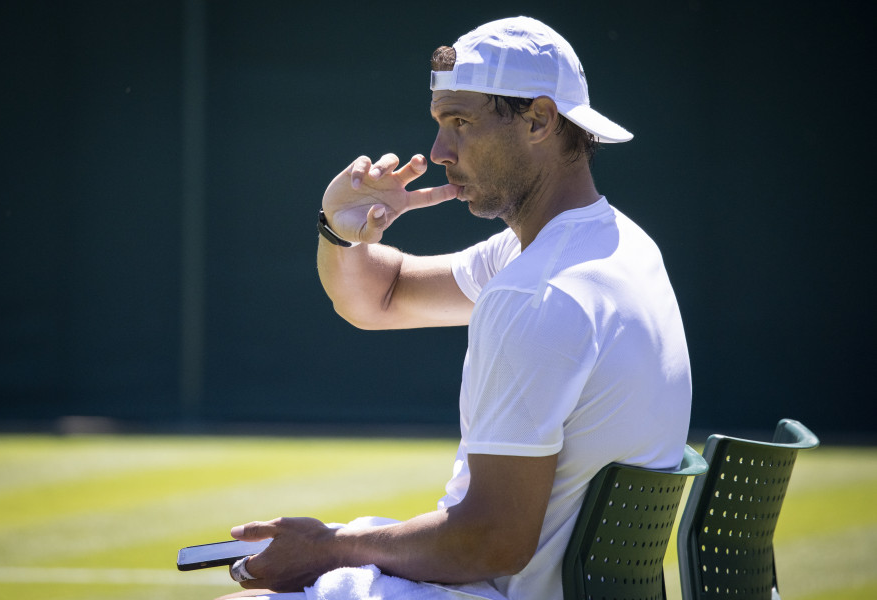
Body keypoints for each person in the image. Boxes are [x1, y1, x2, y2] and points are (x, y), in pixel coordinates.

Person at [216, 15, 691, 600]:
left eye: (462, 123)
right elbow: (379, 298)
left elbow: (492, 542)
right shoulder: (616, 248)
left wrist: (327, 550)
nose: (440, 150)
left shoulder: (537, 292)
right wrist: (341, 234)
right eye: (440, 124)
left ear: (540, 120)